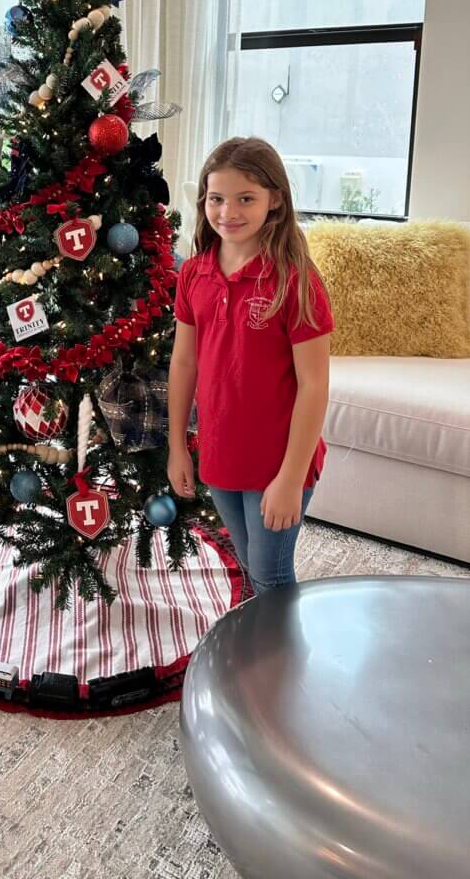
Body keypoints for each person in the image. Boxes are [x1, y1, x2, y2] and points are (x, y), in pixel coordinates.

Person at [167, 137, 333, 596]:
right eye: (216, 199)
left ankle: (281, 647)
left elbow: (314, 386)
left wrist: (291, 478)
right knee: (248, 567)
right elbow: (183, 362)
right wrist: (177, 446)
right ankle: (257, 642)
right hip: (221, 453)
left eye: (245, 199)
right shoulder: (193, 273)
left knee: (271, 578)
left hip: (280, 460)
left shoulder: (296, 280)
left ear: (274, 200)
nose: (228, 212)